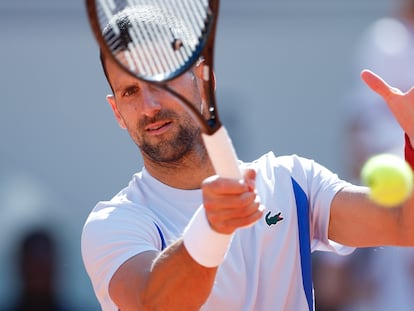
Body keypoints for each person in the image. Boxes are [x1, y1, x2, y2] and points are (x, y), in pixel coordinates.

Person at [81, 6, 414, 311]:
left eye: (161, 80)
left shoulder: (291, 181)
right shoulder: (112, 224)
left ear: (203, 79)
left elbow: (403, 224)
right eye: (130, 91)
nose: (150, 104)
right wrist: (213, 228)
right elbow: (153, 303)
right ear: (117, 111)